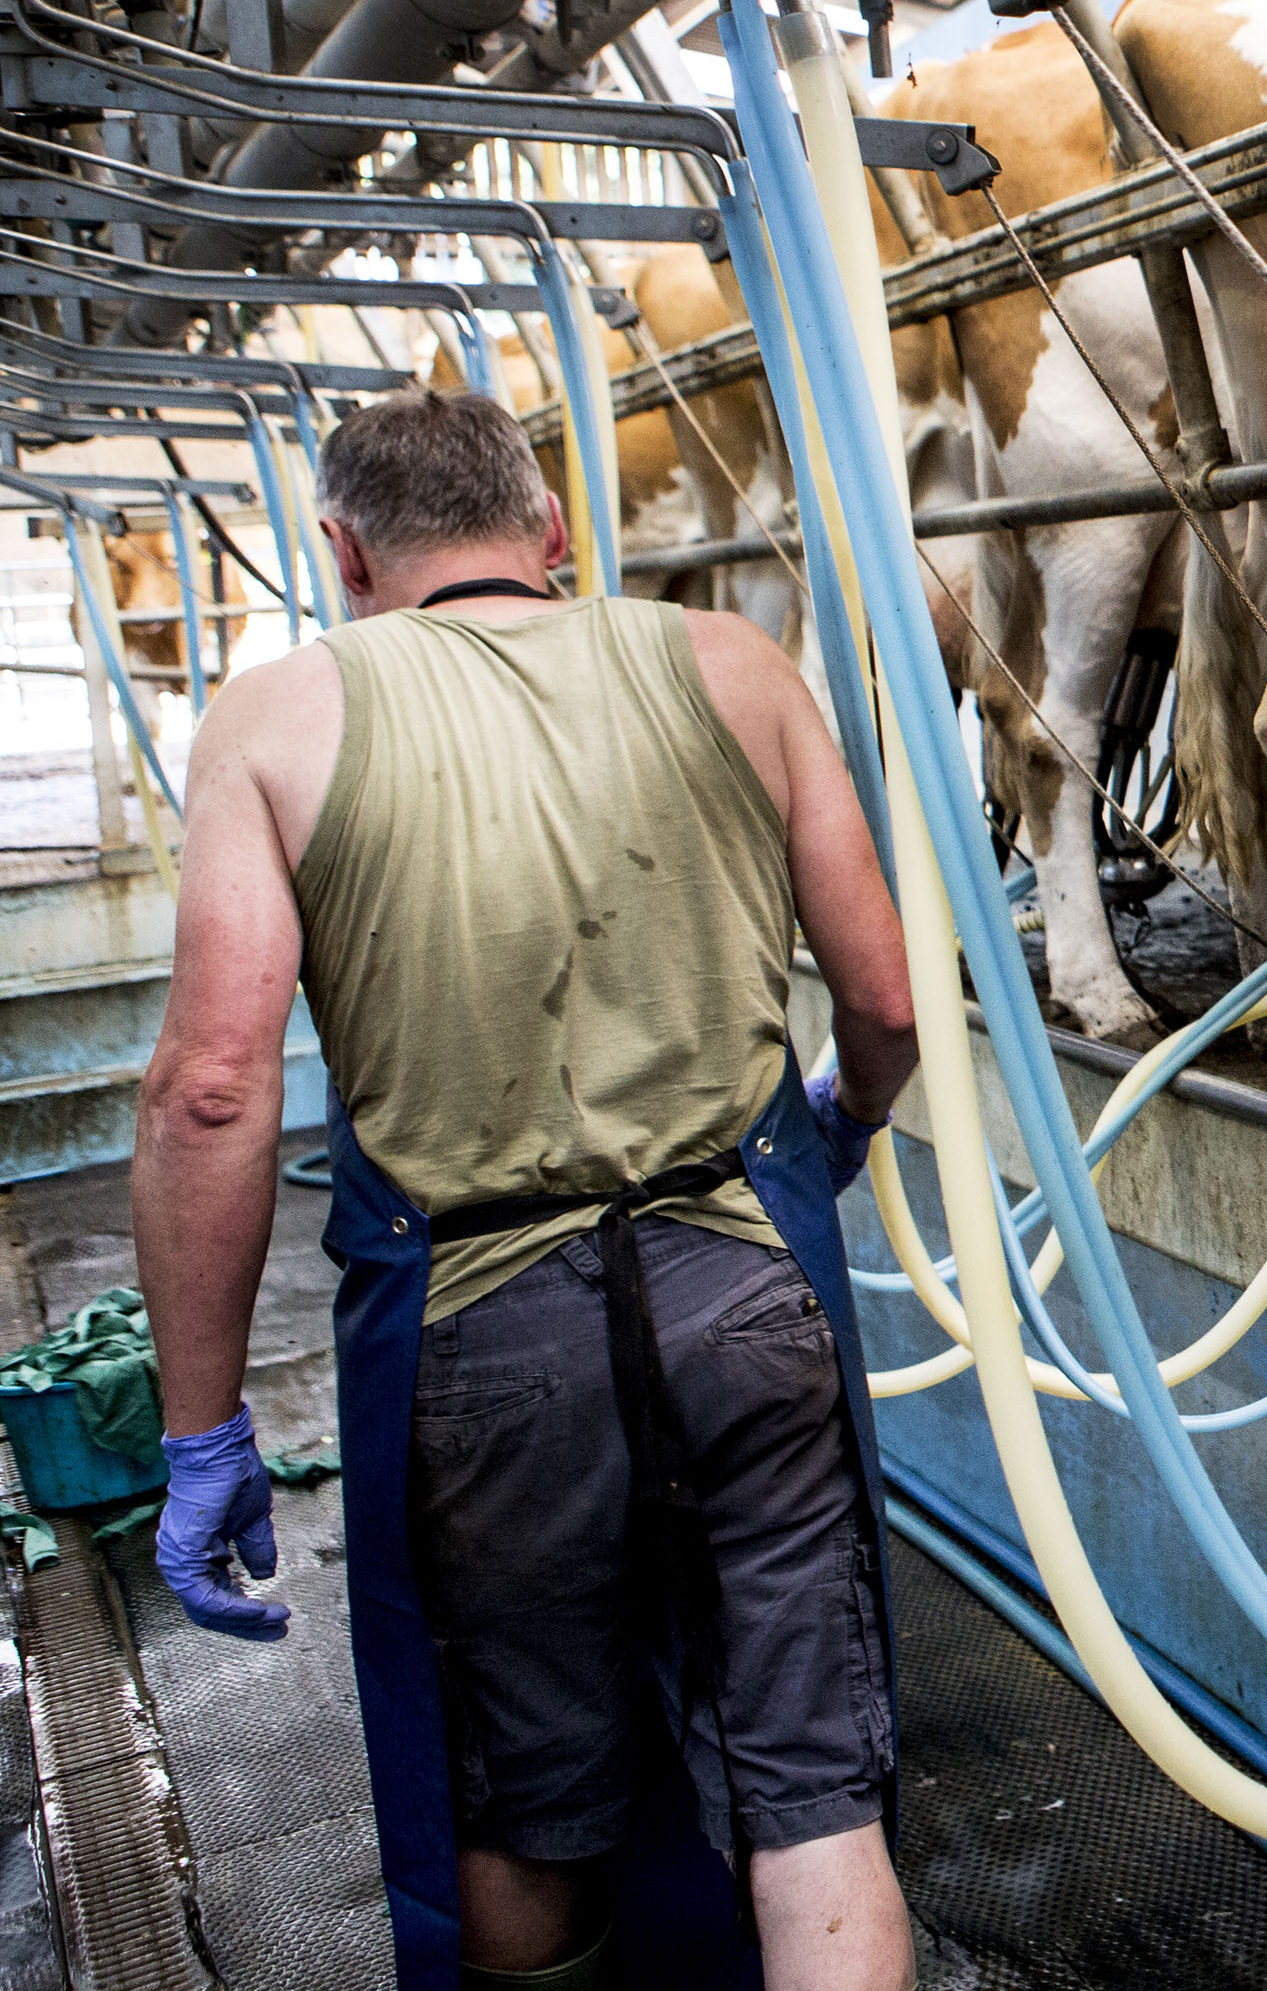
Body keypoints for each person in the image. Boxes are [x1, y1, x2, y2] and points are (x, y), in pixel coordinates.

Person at [133, 388, 924, 1991]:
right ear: (553, 529)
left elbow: (212, 1088)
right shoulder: (727, 665)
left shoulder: (278, 720)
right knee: (813, 1791)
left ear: (344, 552)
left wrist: (203, 1429)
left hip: (482, 1339)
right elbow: (891, 1000)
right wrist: (842, 1114)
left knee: (522, 1803)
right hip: (744, 1293)